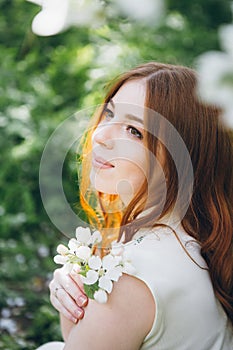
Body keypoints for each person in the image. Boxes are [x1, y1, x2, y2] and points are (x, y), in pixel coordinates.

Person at [37, 62, 233, 349]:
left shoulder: (130, 277)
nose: (100, 136)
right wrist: (74, 298)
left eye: (133, 131)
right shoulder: (189, 240)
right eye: (109, 113)